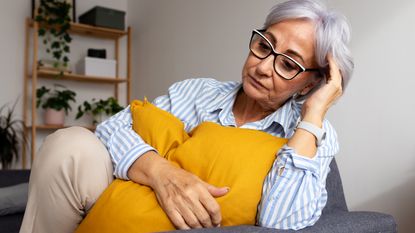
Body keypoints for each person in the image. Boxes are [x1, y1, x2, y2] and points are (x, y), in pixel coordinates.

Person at [20, 0, 353, 232]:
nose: (263, 67)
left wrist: (313, 114)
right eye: (265, 46)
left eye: (288, 64)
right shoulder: (199, 92)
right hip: (126, 197)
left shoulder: (313, 134)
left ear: (311, 82)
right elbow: (112, 127)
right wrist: (159, 172)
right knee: (70, 143)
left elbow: (279, 222)